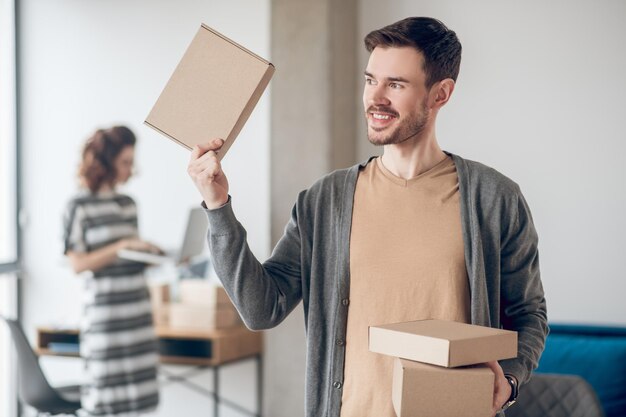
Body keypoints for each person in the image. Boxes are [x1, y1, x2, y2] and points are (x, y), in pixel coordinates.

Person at [187, 17, 548, 417]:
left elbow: (528, 315)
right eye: (370, 79)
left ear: (440, 94)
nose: (375, 97)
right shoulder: (324, 201)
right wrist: (218, 207)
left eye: (395, 84)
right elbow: (261, 309)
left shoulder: (494, 199)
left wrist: (509, 381)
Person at [63, 126, 160, 416]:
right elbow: (78, 264)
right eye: (126, 162)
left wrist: (151, 254)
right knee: (105, 402)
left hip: (137, 315)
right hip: (106, 320)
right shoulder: (78, 206)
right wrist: (121, 246)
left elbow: (127, 256)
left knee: (139, 402)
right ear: (106, 163)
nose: (132, 169)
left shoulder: (128, 204)